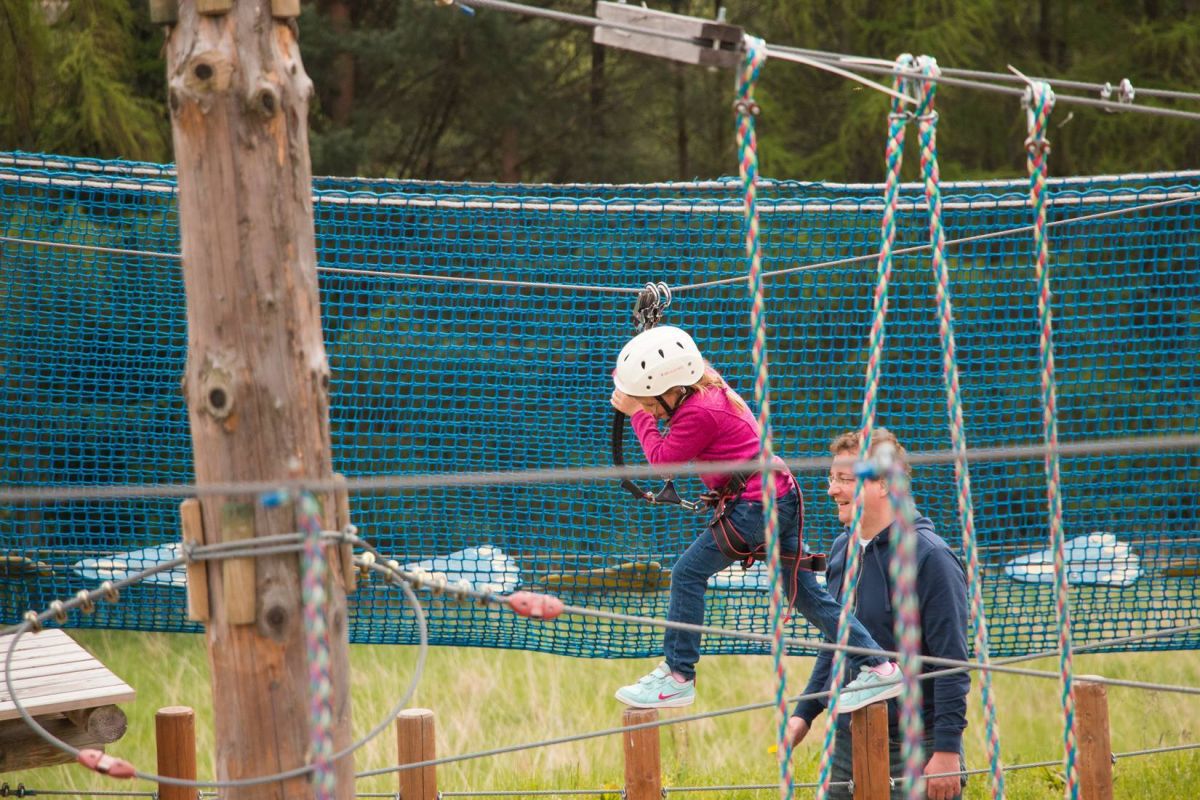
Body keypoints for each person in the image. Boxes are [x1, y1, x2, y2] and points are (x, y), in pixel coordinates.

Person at [608, 325, 900, 710]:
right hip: (775, 496)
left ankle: (678, 676)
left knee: (687, 573)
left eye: (651, 403)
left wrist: (635, 415)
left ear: (670, 389)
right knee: (806, 595)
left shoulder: (699, 411)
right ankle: (879, 667)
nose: (649, 410)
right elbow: (663, 366)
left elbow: (662, 461)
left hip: (757, 505)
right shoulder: (701, 382)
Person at [786, 427, 970, 800]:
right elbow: (837, 642)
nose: (832, 490)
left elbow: (951, 663)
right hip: (850, 737)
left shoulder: (931, 558)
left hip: (918, 747)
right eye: (831, 478)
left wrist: (947, 751)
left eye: (845, 479)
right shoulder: (842, 551)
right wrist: (804, 713)